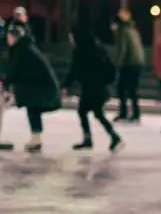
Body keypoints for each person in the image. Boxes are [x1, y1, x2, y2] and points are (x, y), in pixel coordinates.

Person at [62, 25, 124, 152]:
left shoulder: (80, 51)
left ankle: (92, 139)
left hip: (91, 88)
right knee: (97, 113)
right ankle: (112, 137)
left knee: (84, 112)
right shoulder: (98, 48)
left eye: (71, 37)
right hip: (100, 87)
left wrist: (65, 86)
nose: (70, 40)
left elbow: (74, 70)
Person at [3, 24, 60, 152]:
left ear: (14, 37)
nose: (7, 40)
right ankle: (36, 140)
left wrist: (5, 82)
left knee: (33, 110)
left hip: (40, 88)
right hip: (39, 87)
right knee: (33, 111)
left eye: (9, 37)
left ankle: (36, 141)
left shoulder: (22, 50)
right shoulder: (26, 47)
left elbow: (14, 69)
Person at [112, 10, 145, 122]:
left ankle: (124, 113)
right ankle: (135, 113)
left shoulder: (122, 32)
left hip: (129, 63)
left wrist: (117, 64)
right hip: (138, 63)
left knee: (121, 89)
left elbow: (122, 49)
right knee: (133, 89)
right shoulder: (133, 30)